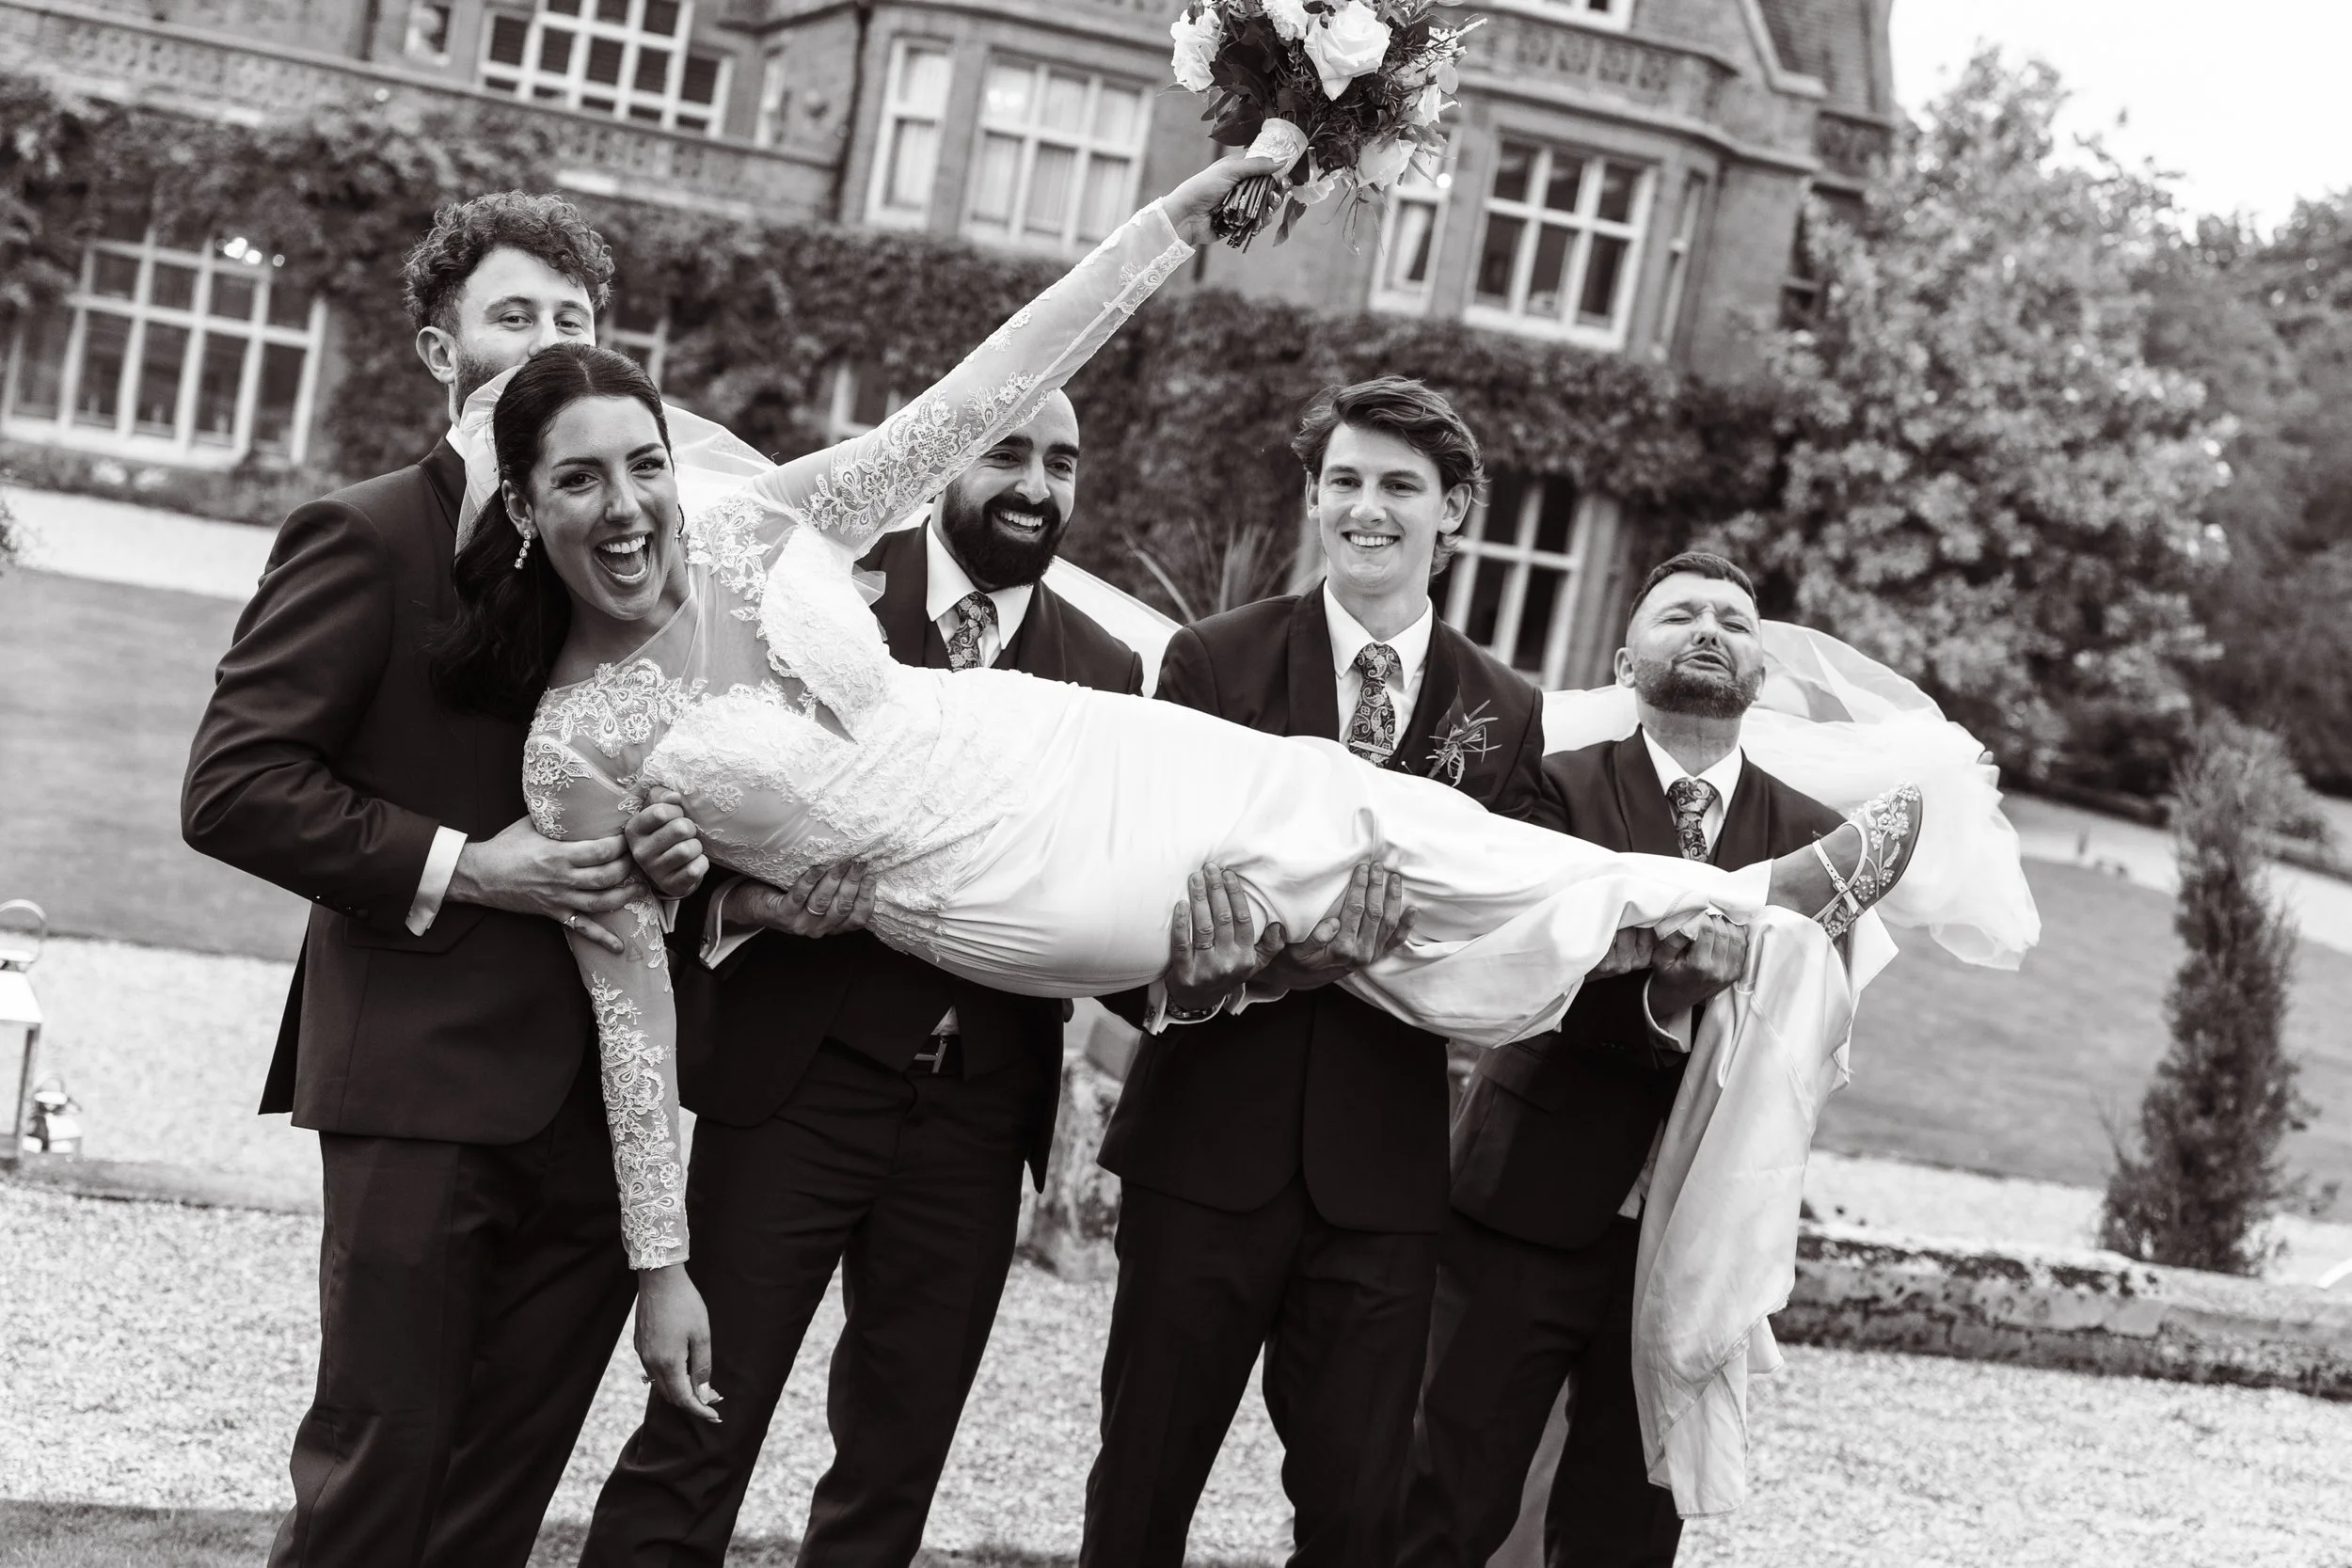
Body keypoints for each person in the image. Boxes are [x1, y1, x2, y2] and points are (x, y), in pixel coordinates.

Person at [428, 158, 1920, 1430]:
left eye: (641, 465)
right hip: (986, 877)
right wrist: (659, 1261)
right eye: (580, 484)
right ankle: (1711, 911)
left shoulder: (761, 523)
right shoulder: (574, 748)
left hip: (1051, 738)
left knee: (1345, 800)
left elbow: (996, 377)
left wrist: (1178, 217)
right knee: (1315, 869)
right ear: (526, 513)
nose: (628, 508)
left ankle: (1703, 917)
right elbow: (631, 1023)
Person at [180, 192, 706, 1568]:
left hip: (597, 1112)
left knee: (495, 1508)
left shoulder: (640, 556)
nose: (546, 343)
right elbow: (234, 785)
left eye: (573, 319)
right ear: (439, 351)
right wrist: (469, 867)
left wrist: (684, 854)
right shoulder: (362, 534)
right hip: (415, 1083)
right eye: (512, 316)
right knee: (375, 1483)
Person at [578, 389, 1147, 1565]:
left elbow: (1097, 883)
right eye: (1007, 452)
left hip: (980, 1113)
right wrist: (757, 904)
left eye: (1063, 461)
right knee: (699, 1421)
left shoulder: (1106, 668)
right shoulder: (811, 592)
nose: (1037, 486)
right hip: (799, 1083)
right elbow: (683, 824)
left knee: (899, 1453)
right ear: (942, 461)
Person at [1075, 376, 1548, 1568]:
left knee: (1354, 1516)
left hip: (1381, 1178)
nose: (1365, 508)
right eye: (1344, 481)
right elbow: (1133, 930)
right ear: (1313, 498)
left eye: (1399, 486)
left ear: (1456, 512)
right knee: (1140, 1490)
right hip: (1203, 1149)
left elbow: (1508, 934)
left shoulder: (1503, 711)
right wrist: (1274, 958)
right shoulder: (1211, 664)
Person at [1395, 552, 1843, 1568]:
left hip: (1691, 1235)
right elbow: (1526, 980)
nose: (1709, 629)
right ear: (1622, 656)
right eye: (1679, 612)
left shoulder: (1817, 841)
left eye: (1734, 620)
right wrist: (1663, 997)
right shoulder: (1551, 794)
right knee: (1444, 1496)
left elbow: (1803, 1036)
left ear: (1759, 677)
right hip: (1522, 1208)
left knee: (1625, 1531)